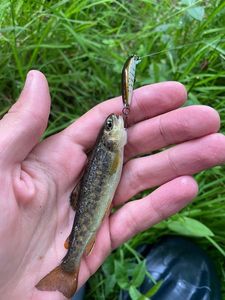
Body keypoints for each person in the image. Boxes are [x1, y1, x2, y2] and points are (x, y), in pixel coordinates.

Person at [0, 70, 224, 300]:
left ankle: (70, 279)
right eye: (110, 126)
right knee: (192, 271)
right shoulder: (112, 151)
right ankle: (69, 273)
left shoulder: (113, 150)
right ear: (109, 138)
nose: (114, 122)